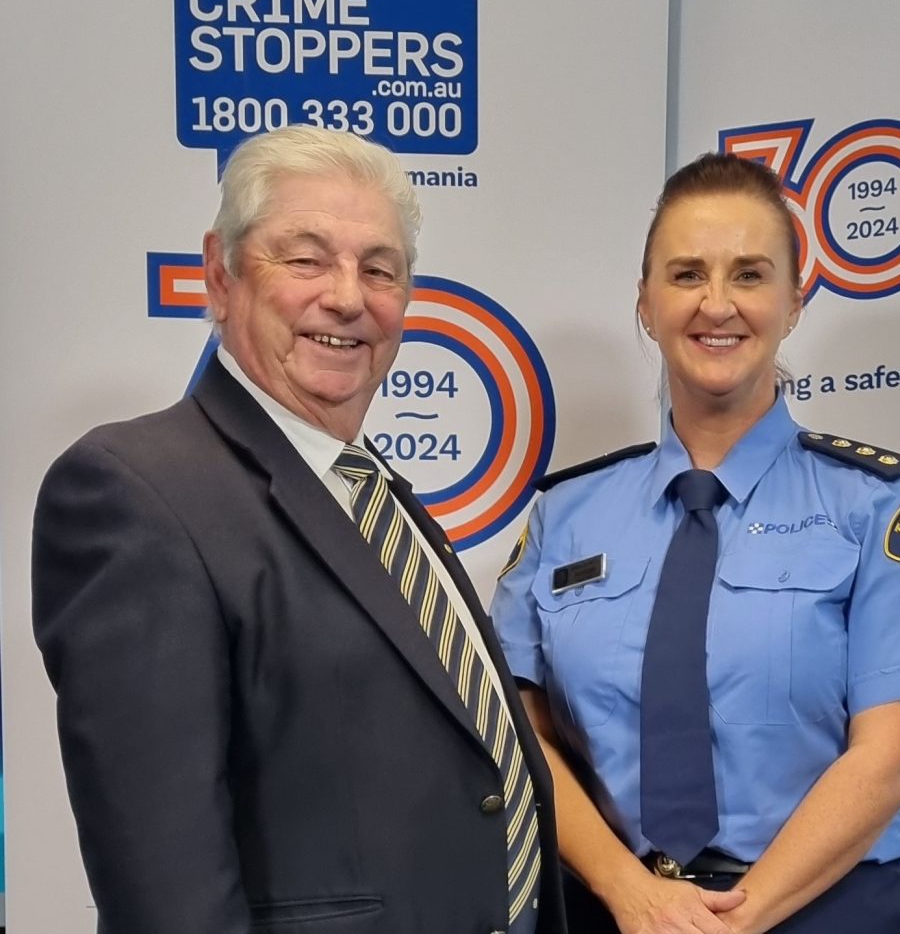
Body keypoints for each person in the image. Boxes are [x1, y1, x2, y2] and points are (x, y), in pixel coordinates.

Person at [33, 125, 565, 934]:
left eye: (379, 269)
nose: (348, 298)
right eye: (307, 259)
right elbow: (164, 889)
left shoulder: (374, 493)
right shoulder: (135, 492)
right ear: (221, 274)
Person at [490, 153, 900, 934]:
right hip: (618, 910)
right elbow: (519, 732)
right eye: (687, 274)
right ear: (646, 302)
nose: (716, 304)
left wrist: (731, 923)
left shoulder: (873, 504)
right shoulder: (566, 516)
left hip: (829, 910)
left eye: (750, 275)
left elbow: (894, 757)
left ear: (794, 302)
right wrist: (630, 892)